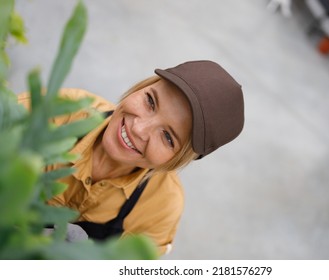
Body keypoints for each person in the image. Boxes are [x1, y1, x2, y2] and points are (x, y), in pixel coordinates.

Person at [18, 60, 245, 255]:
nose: (139, 128)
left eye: (167, 137)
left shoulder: (161, 208)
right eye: (150, 101)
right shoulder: (58, 112)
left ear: (178, 159)